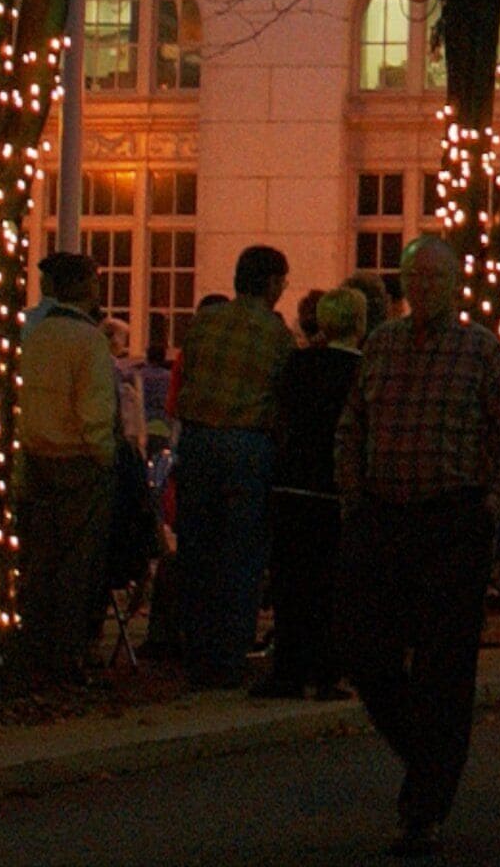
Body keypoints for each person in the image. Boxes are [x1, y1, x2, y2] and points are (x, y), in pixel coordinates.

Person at [338, 237, 500, 857]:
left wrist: (488, 511)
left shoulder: (480, 351)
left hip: (451, 519)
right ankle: (428, 755)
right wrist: (354, 499)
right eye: (412, 277)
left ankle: (424, 806)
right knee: (368, 652)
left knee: (444, 668)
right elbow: (351, 426)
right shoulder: (382, 345)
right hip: (386, 517)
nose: (421, 289)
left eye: (433, 278)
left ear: (454, 285)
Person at [168, 244, 292, 686]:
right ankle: (230, 655)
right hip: (247, 446)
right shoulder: (277, 336)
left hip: (198, 440)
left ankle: (197, 653)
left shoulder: (205, 322)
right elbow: (281, 399)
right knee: (240, 556)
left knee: (197, 550)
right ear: (273, 283)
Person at [256, 283, 367, 699]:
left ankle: (287, 668)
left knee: (291, 582)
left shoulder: (299, 365)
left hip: (292, 482)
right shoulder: (362, 370)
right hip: (334, 487)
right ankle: (325, 671)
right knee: (331, 584)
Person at [15, 250, 120, 686]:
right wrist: (106, 455)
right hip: (77, 460)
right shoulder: (89, 340)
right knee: (77, 565)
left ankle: (32, 647)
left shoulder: (30, 334)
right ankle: (67, 653)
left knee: (37, 561)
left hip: (34, 456)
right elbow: (94, 411)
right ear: (86, 287)